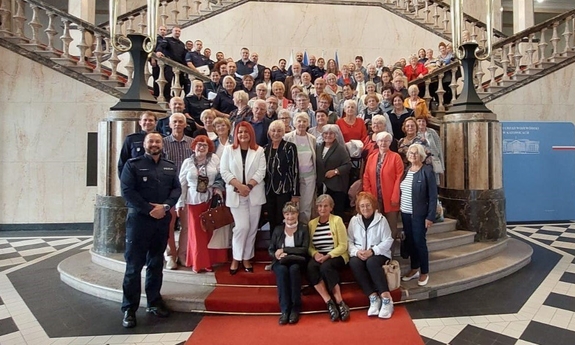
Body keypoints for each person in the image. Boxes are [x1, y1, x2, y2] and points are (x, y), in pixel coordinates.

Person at [120, 132, 181, 328]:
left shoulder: (170, 166)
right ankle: (129, 309)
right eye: (150, 141)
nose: (154, 144)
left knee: (156, 263)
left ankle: (154, 301)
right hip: (139, 221)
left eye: (157, 141)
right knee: (134, 266)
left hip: (161, 220)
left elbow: (176, 190)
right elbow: (127, 191)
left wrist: (164, 207)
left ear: (162, 145)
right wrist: (149, 209)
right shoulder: (132, 164)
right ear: (144, 144)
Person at [220, 122, 266, 274]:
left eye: (246, 132)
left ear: (251, 134)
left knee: (252, 228)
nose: (243, 135)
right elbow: (224, 171)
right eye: (240, 132)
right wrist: (239, 186)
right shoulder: (228, 150)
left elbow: (261, 171)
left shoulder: (259, 150)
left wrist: (249, 186)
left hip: (254, 193)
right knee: (242, 227)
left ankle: (247, 257)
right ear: (236, 134)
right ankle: (236, 258)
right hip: (236, 194)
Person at [176, 135, 226, 273]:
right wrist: (180, 203)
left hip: (210, 199)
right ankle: (198, 263)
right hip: (193, 200)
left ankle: (209, 260)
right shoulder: (187, 162)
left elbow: (221, 175)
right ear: (194, 147)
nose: (202, 147)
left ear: (209, 147)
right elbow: (182, 184)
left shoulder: (214, 159)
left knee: (210, 231)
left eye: (205, 145)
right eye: (199, 144)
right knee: (197, 233)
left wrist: (217, 187)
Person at [347, 192, 394, 318]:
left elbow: (388, 240)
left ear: (373, 206)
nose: (365, 208)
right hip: (361, 253)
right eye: (362, 206)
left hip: (379, 253)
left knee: (371, 262)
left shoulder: (381, 220)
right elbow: (349, 241)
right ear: (358, 207)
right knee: (354, 262)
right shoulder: (354, 221)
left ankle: (386, 298)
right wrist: (356, 252)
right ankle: (373, 297)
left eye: (368, 205)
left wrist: (373, 251)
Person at [307, 194, 350, 322]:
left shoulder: (337, 220)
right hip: (320, 255)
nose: (322, 209)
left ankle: (340, 302)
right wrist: (315, 254)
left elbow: (343, 245)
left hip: (336, 254)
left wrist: (328, 256)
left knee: (326, 266)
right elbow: (309, 247)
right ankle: (329, 302)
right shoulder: (311, 224)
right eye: (320, 206)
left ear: (331, 208)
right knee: (311, 267)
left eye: (325, 206)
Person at [400, 144, 438, 287]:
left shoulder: (427, 171)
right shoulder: (406, 170)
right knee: (410, 242)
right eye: (410, 152)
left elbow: (433, 196)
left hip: (420, 215)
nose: (412, 155)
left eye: (416, 153)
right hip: (405, 213)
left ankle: (424, 271)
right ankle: (414, 268)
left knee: (419, 242)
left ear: (421, 155)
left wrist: (430, 217)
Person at [269, 202, 310, 325]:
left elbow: (304, 249)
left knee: (294, 270)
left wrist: (285, 250)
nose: (290, 217)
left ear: (297, 214)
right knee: (281, 271)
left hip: (297, 260)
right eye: (287, 214)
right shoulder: (278, 229)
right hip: (281, 261)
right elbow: (271, 249)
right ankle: (285, 310)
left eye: (292, 213)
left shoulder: (304, 228)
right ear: (283, 215)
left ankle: (295, 309)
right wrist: (276, 254)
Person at [162, 113, 194, 269]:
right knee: (169, 223)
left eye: (181, 121)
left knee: (186, 225)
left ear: (185, 124)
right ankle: (170, 255)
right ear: (169, 124)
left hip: (188, 190)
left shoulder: (192, 143)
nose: (177, 124)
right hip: (168, 189)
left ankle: (183, 254)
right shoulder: (163, 143)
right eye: (174, 121)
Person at [363, 131, 404, 239]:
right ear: (377, 142)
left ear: (390, 143)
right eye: (381, 140)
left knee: (391, 228)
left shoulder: (396, 157)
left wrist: (395, 196)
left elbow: (399, 178)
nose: (383, 143)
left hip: (391, 198)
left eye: (386, 141)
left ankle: (389, 254)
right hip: (375, 198)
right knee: (376, 227)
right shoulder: (371, 157)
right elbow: (366, 176)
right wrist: (369, 196)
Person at [264, 120, 300, 232]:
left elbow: (295, 170)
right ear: (269, 132)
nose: (276, 133)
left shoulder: (290, 147)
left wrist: (295, 193)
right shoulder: (265, 148)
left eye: (279, 131)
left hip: (284, 189)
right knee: (271, 218)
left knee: (282, 218)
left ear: (283, 132)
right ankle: (273, 244)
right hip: (269, 190)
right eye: (273, 131)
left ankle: (282, 245)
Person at [284, 112, 317, 224]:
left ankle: (304, 230)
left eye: (304, 121)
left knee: (306, 207)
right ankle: (293, 230)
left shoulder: (312, 138)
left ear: (308, 123)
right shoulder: (287, 137)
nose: (302, 124)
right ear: (294, 123)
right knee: (294, 206)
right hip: (293, 178)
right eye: (299, 121)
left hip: (309, 177)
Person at [316, 125, 351, 218]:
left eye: (331, 133)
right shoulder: (318, 148)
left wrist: (335, 171)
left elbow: (348, 165)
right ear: (322, 135)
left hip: (336, 186)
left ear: (335, 135)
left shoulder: (340, 149)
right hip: (322, 184)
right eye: (326, 133)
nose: (328, 135)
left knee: (337, 212)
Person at [118, 112, 157, 178]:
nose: (147, 122)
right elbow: (123, 161)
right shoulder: (131, 139)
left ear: (155, 123)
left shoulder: (162, 138)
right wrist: (123, 180)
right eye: (145, 120)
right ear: (140, 122)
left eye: (150, 120)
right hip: (136, 177)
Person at [416, 114, 444, 184]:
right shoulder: (415, 133)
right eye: (419, 121)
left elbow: (439, 148)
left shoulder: (432, 132)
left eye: (423, 121)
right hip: (422, 162)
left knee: (433, 184)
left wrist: (442, 166)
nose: (421, 123)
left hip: (434, 161)